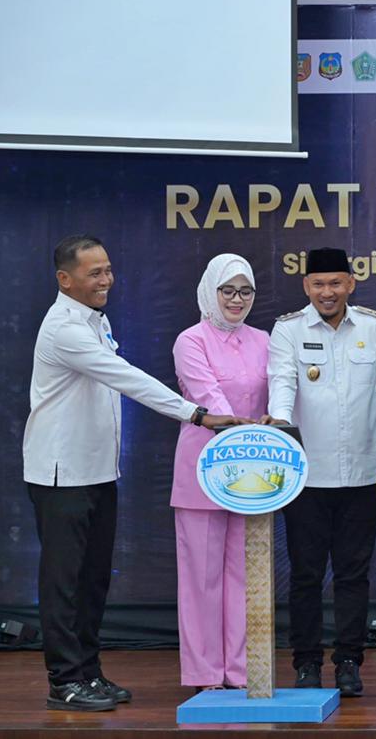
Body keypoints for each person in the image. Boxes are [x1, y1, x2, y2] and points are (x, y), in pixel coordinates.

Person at [24, 235, 240, 711]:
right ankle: (64, 680)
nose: (106, 280)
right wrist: (196, 413)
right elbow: (126, 378)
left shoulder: (94, 320)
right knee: (64, 582)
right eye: (94, 273)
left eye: (107, 270)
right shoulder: (64, 328)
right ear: (64, 279)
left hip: (98, 471)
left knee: (93, 580)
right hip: (61, 474)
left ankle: (89, 672)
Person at [266, 247, 376, 697]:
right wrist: (282, 421)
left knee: (353, 575)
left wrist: (355, 424)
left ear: (350, 283)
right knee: (305, 575)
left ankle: (348, 662)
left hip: (362, 474)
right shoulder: (288, 329)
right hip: (307, 476)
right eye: (319, 284)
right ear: (306, 286)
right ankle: (306, 663)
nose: (328, 292)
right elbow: (282, 382)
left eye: (336, 283)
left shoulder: (373, 327)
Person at [170, 254, 269, 691]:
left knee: (245, 573)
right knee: (201, 576)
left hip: (254, 475)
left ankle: (242, 670)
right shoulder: (190, 340)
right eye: (227, 290)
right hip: (204, 471)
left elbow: (277, 396)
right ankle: (205, 673)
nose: (236, 299)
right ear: (211, 291)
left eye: (245, 291)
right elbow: (208, 399)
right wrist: (247, 434)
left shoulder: (264, 340)